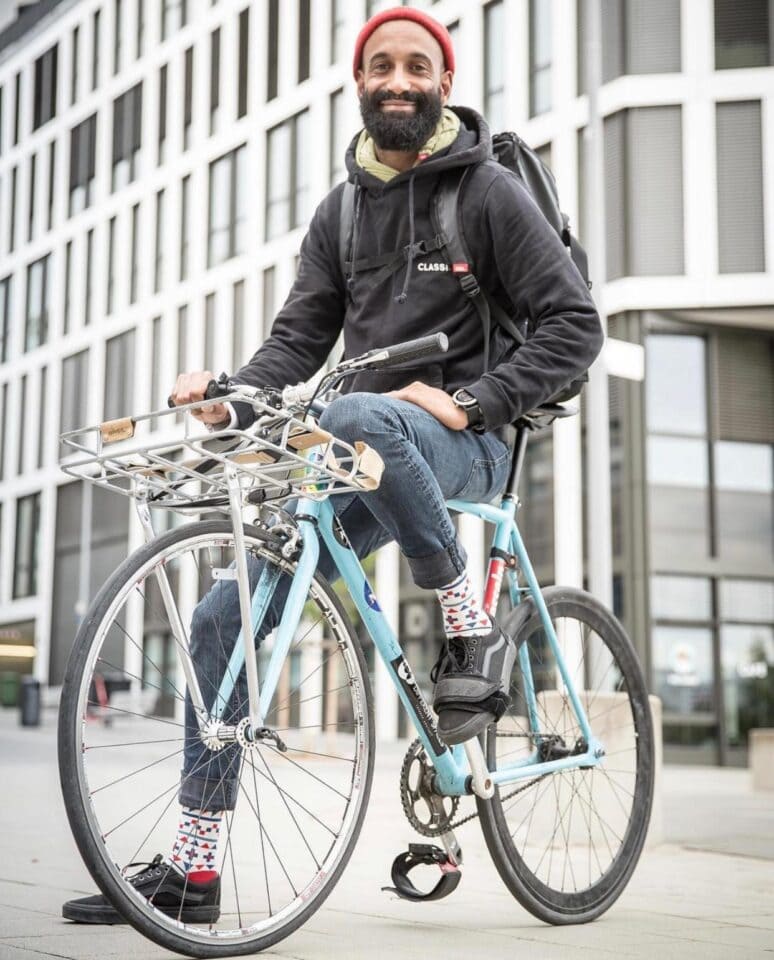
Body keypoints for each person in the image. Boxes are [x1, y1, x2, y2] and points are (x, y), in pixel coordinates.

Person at [63, 7, 602, 924]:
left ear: (443, 80)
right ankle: (194, 871)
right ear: (359, 84)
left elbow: (575, 326)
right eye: (380, 66)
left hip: (462, 445)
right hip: (359, 455)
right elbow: (297, 343)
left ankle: (465, 628)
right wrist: (227, 395)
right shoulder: (341, 211)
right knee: (221, 616)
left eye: (417, 66)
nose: (398, 80)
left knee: (359, 412)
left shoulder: (486, 194)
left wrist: (472, 400)